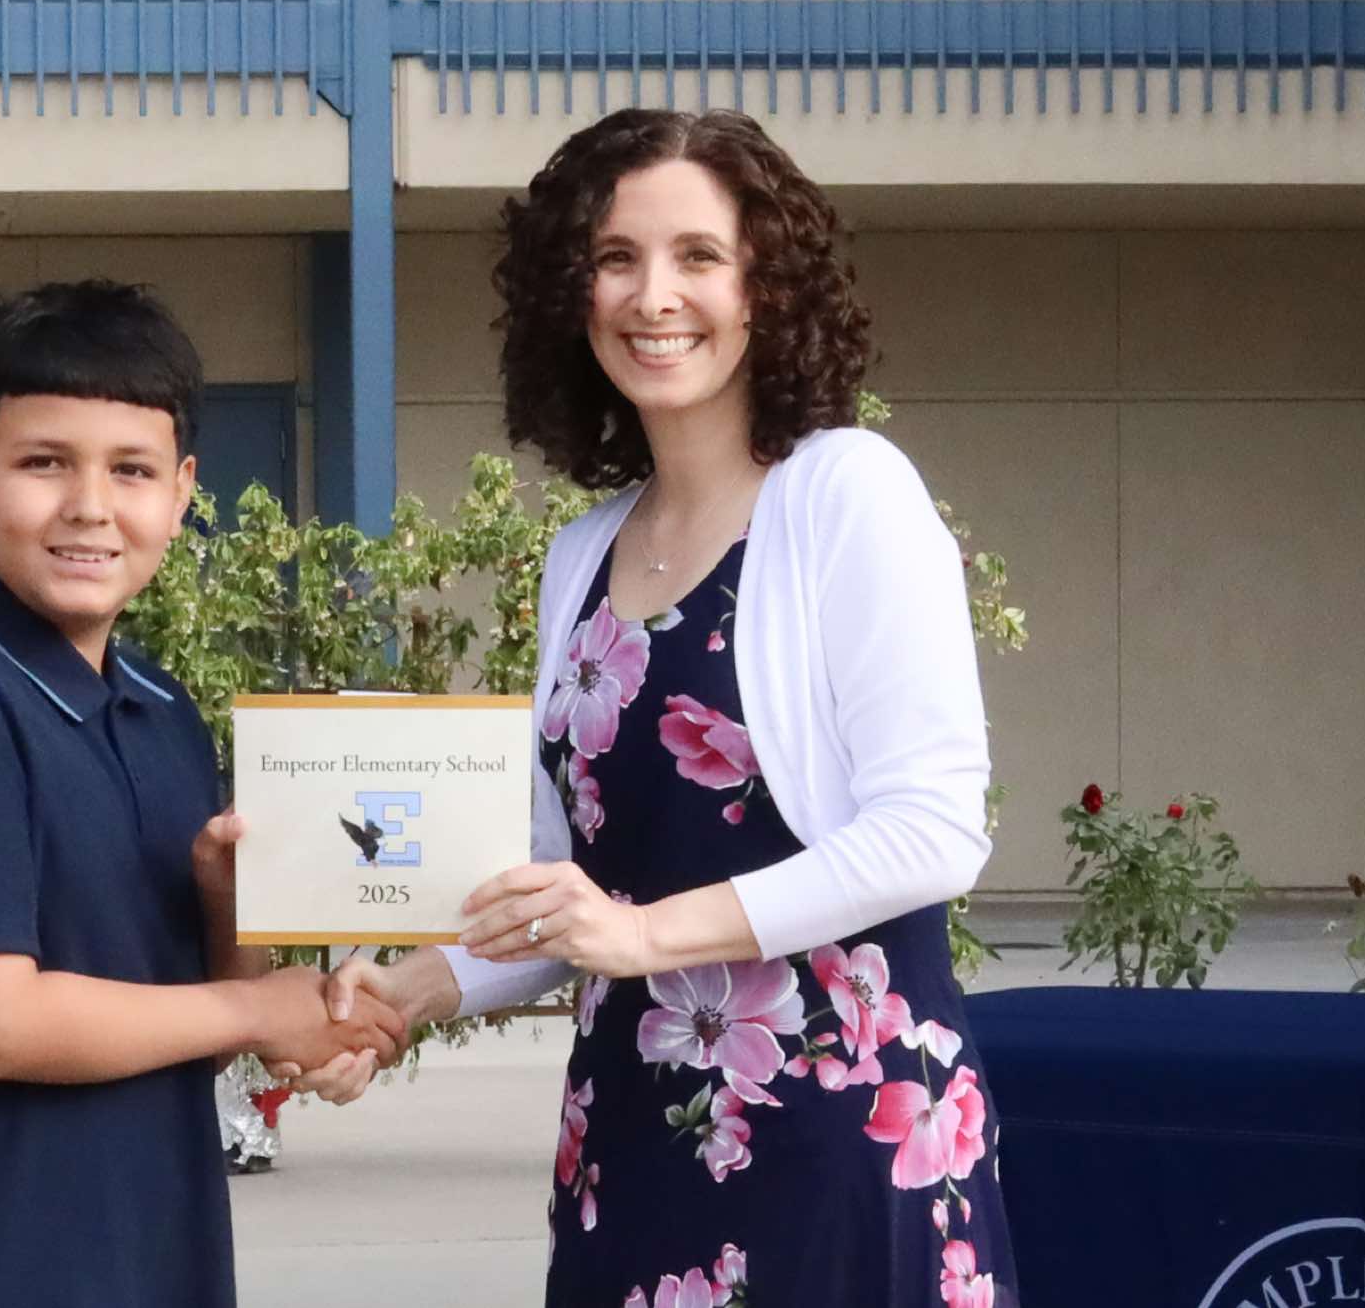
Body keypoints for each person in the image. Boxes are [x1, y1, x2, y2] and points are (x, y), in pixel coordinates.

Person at [314, 110, 1017, 1306]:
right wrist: (407, 994)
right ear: (570, 293)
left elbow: (930, 831)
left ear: (764, 289)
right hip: (630, 1133)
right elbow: (562, 886)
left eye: (697, 256)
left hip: (839, 1128)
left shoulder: (847, 491)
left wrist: (637, 937)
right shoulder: (581, 554)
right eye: (613, 258)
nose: (652, 296)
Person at [0, 280, 404, 1308]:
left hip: (156, 1247)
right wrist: (256, 1006)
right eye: (43, 462)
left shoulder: (161, 709)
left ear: (181, 493)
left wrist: (236, 919)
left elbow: (193, 1015)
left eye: (130, 469)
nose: (89, 506)